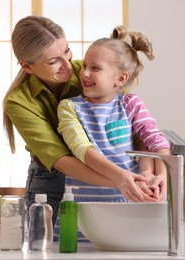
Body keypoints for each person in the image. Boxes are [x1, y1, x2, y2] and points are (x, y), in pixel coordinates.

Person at [2, 16, 162, 228]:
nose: (68, 65)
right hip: (51, 182)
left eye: (66, 51)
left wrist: (149, 174)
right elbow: (62, 159)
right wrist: (120, 181)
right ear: (27, 66)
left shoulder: (90, 71)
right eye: (53, 61)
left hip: (120, 176)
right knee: (48, 246)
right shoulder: (18, 102)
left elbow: (137, 131)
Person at [57, 25, 170, 207]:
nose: (84, 73)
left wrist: (162, 175)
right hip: (84, 207)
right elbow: (82, 149)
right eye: (85, 66)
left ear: (121, 79)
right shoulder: (69, 107)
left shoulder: (131, 104)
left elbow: (155, 140)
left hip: (129, 202)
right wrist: (120, 177)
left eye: (95, 68)